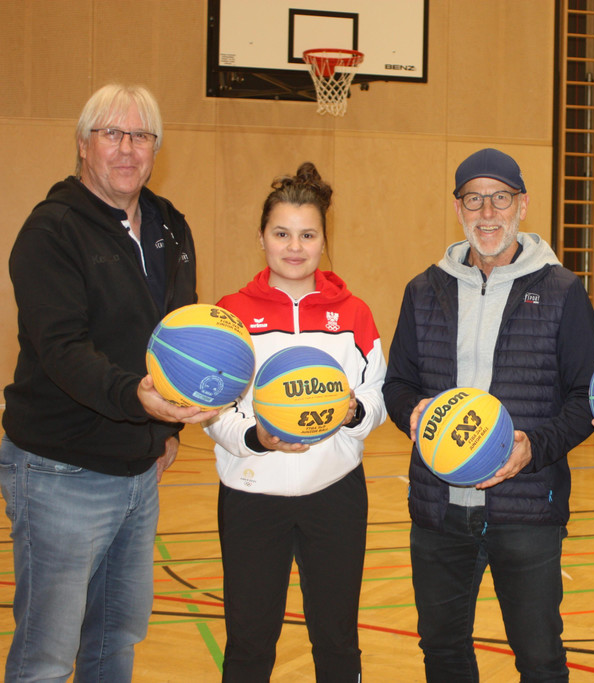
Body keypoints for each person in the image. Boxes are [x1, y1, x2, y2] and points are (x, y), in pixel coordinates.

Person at [0, 83, 213, 682]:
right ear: (83, 144)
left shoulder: (170, 225)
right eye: (112, 134)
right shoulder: (52, 231)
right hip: (59, 471)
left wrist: (164, 430)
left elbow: (180, 335)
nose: (127, 149)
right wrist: (134, 399)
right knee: (46, 657)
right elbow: (62, 350)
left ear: (156, 149)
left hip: (139, 472)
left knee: (115, 642)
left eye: (141, 136)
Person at [382, 148, 594, 682]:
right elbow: (398, 384)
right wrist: (413, 413)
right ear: (458, 208)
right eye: (474, 199)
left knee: (540, 659)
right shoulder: (423, 289)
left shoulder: (562, 291)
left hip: (525, 508)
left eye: (500, 198)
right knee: (443, 652)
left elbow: (587, 397)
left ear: (522, 205)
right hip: (439, 510)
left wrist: (535, 448)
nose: (487, 212)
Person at [203, 162, 386, 682]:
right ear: (261, 237)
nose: (294, 246)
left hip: (335, 497)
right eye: (282, 233)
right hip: (251, 498)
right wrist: (256, 438)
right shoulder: (230, 313)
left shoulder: (354, 314)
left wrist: (353, 412)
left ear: (324, 240)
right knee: (249, 643)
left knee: (337, 639)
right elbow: (215, 407)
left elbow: (376, 395)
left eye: (308, 235)